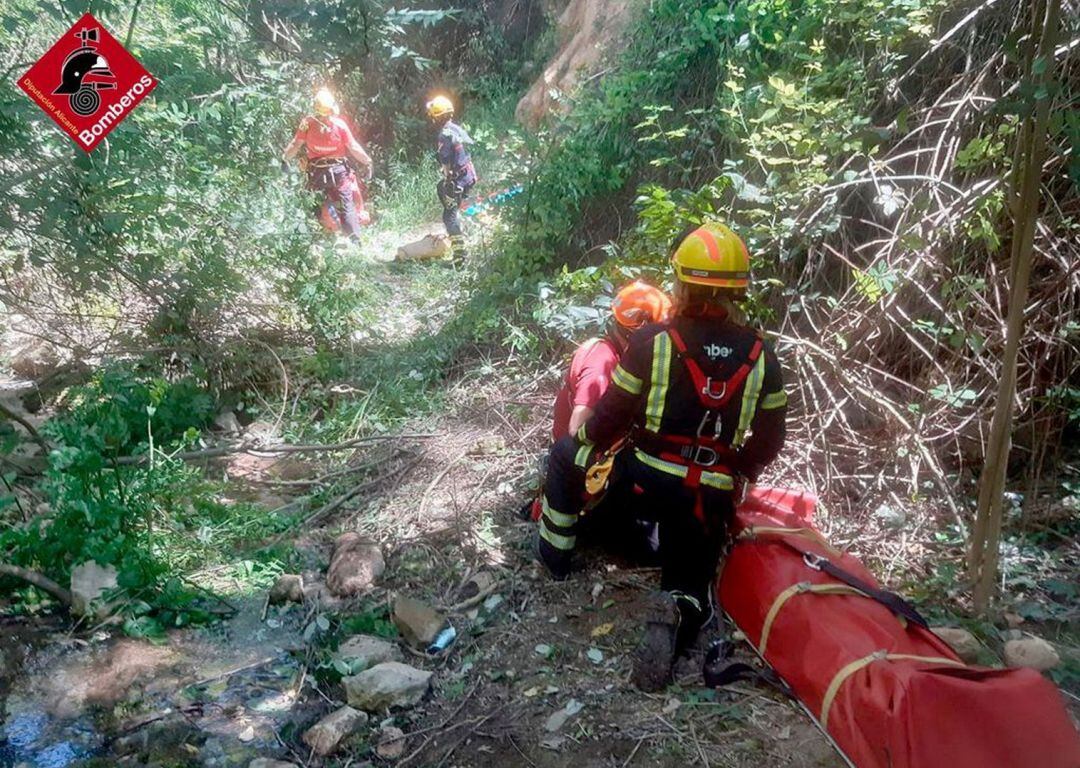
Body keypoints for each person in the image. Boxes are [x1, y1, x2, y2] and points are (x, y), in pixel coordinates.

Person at [537, 222, 788, 691]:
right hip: (708, 495)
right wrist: (736, 471)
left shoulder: (655, 341)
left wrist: (587, 441)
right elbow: (772, 438)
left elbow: (610, 416)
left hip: (644, 483)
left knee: (567, 453)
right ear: (738, 290)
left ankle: (555, 556)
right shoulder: (762, 356)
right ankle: (679, 608)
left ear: (682, 283)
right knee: (691, 576)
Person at [282, 88, 373, 240]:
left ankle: (316, 238)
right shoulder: (339, 125)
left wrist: (284, 158)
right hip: (338, 172)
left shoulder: (307, 124)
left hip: (316, 173)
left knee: (313, 201)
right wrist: (368, 161)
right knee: (347, 206)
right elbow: (353, 147)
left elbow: (296, 144)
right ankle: (354, 240)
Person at [425, 95, 477, 263]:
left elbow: (445, 161)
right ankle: (463, 241)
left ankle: (460, 256)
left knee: (449, 216)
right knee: (454, 211)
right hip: (468, 174)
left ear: (436, 116)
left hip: (458, 180)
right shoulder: (456, 129)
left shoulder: (444, 135)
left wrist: (448, 180)